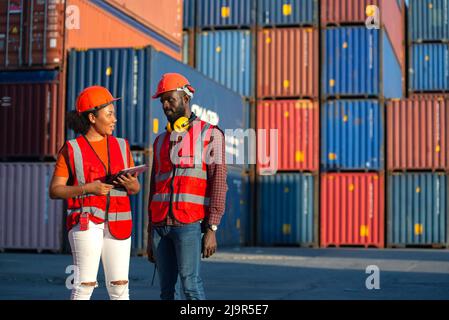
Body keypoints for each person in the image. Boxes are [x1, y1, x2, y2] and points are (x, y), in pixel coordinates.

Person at [49, 85, 140, 300]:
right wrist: (88, 188)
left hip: (119, 222)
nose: (114, 119)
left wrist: (131, 184)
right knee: (84, 285)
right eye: (109, 114)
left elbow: (135, 189)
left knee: (120, 287)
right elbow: (55, 190)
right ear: (92, 117)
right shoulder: (71, 149)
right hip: (86, 222)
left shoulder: (122, 146)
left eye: (114, 113)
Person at [147, 73, 227, 300]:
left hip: (188, 224)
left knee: (191, 285)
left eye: (170, 99)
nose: (165, 105)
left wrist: (212, 228)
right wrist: (149, 234)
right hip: (160, 226)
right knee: (166, 291)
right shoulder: (160, 141)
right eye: (162, 100)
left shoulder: (210, 134)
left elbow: (218, 183)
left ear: (185, 98)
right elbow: (154, 189)